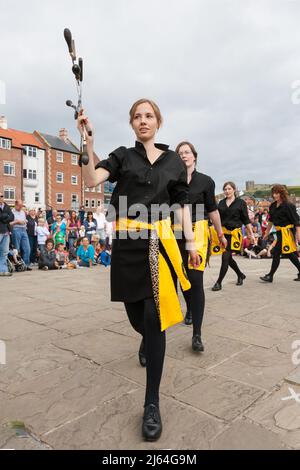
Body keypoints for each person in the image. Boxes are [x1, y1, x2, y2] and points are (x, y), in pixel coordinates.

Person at [76, 98, 199, 442]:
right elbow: (91, 180)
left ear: (158, 122)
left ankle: (151, 404)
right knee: (137, 318)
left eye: (149, 116)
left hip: (159, 244)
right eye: (137, 116)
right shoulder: (122, 156)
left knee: (155, 319)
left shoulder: (174, 162)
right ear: (131, 124)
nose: (143, 121)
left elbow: (182, 205)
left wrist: (190, 243)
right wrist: (88, 143)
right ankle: (145, 336)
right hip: (128, 241)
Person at [175, 141, 227, 352]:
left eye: (187, 152)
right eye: (180, 153)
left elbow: (213, 210)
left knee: (196, 279)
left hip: (198, 232)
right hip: (176, 232)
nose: (183, 155)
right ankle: (189, 307)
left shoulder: (206, 181)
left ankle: (197, 334)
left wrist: (220, 233)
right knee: (182, 277)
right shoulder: (172, 181)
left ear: (194, 156)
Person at [212, 182, 255, 291]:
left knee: (225, 257)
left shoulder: (241, 203)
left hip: (235, 234)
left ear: (234, 190)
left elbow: (246, 219)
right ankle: (240, 274)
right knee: (229, 258)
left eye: (229, 189)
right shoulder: (221, 203)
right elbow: (217, 218)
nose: (227, 191)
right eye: (225, 189)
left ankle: (218, 282)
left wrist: (251, 234)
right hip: (223, 234)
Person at [260, 185, 300, 282]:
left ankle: (270, 276)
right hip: (279, 232)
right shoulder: (273, 206)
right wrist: (266, 232)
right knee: (289, 254)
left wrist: (298, 235)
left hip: (287, 232)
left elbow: (296, 221)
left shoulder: (289, 206)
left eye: (277, 193)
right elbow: (271, 220)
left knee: (278, 252)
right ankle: (270, 276)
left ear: (282, 193)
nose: (275, 195)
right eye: (273, 193)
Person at [10, 200, 31, 271]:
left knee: (27, 248)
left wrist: (24, 222)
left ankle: (26, 265)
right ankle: (18, 266)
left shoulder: (22, 212)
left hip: (24, 230)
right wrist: (17, 222)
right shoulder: (11, 212)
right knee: (17, 249)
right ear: (15, 204)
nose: (21, 207)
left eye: (22, 205)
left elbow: (24, 221)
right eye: (20, 206)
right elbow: (9, 223)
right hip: (16, 230)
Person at [0, 191, 14, 276]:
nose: (1, 197)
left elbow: (12, 216)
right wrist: (6, 217)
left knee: (4, 252)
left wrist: (5, 218)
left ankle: (3, 270)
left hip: (6, 231)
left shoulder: (6, 206)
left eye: (2, 196)